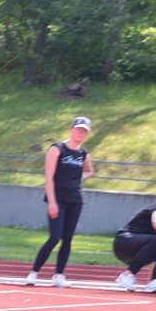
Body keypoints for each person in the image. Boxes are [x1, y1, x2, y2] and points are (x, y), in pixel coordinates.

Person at [24, 117, 95, 288]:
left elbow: (90, 171)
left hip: (75, 199)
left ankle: (59, 275)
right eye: (78, 129)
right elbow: (48, 177)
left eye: (84, 131)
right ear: (71, 129)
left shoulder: (83, 153)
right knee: (55, 237)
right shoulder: (57, 149)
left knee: (68, 238)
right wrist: (52, 202)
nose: (80, 133)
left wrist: (78, 179)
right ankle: (34, 272)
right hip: (57, 198)